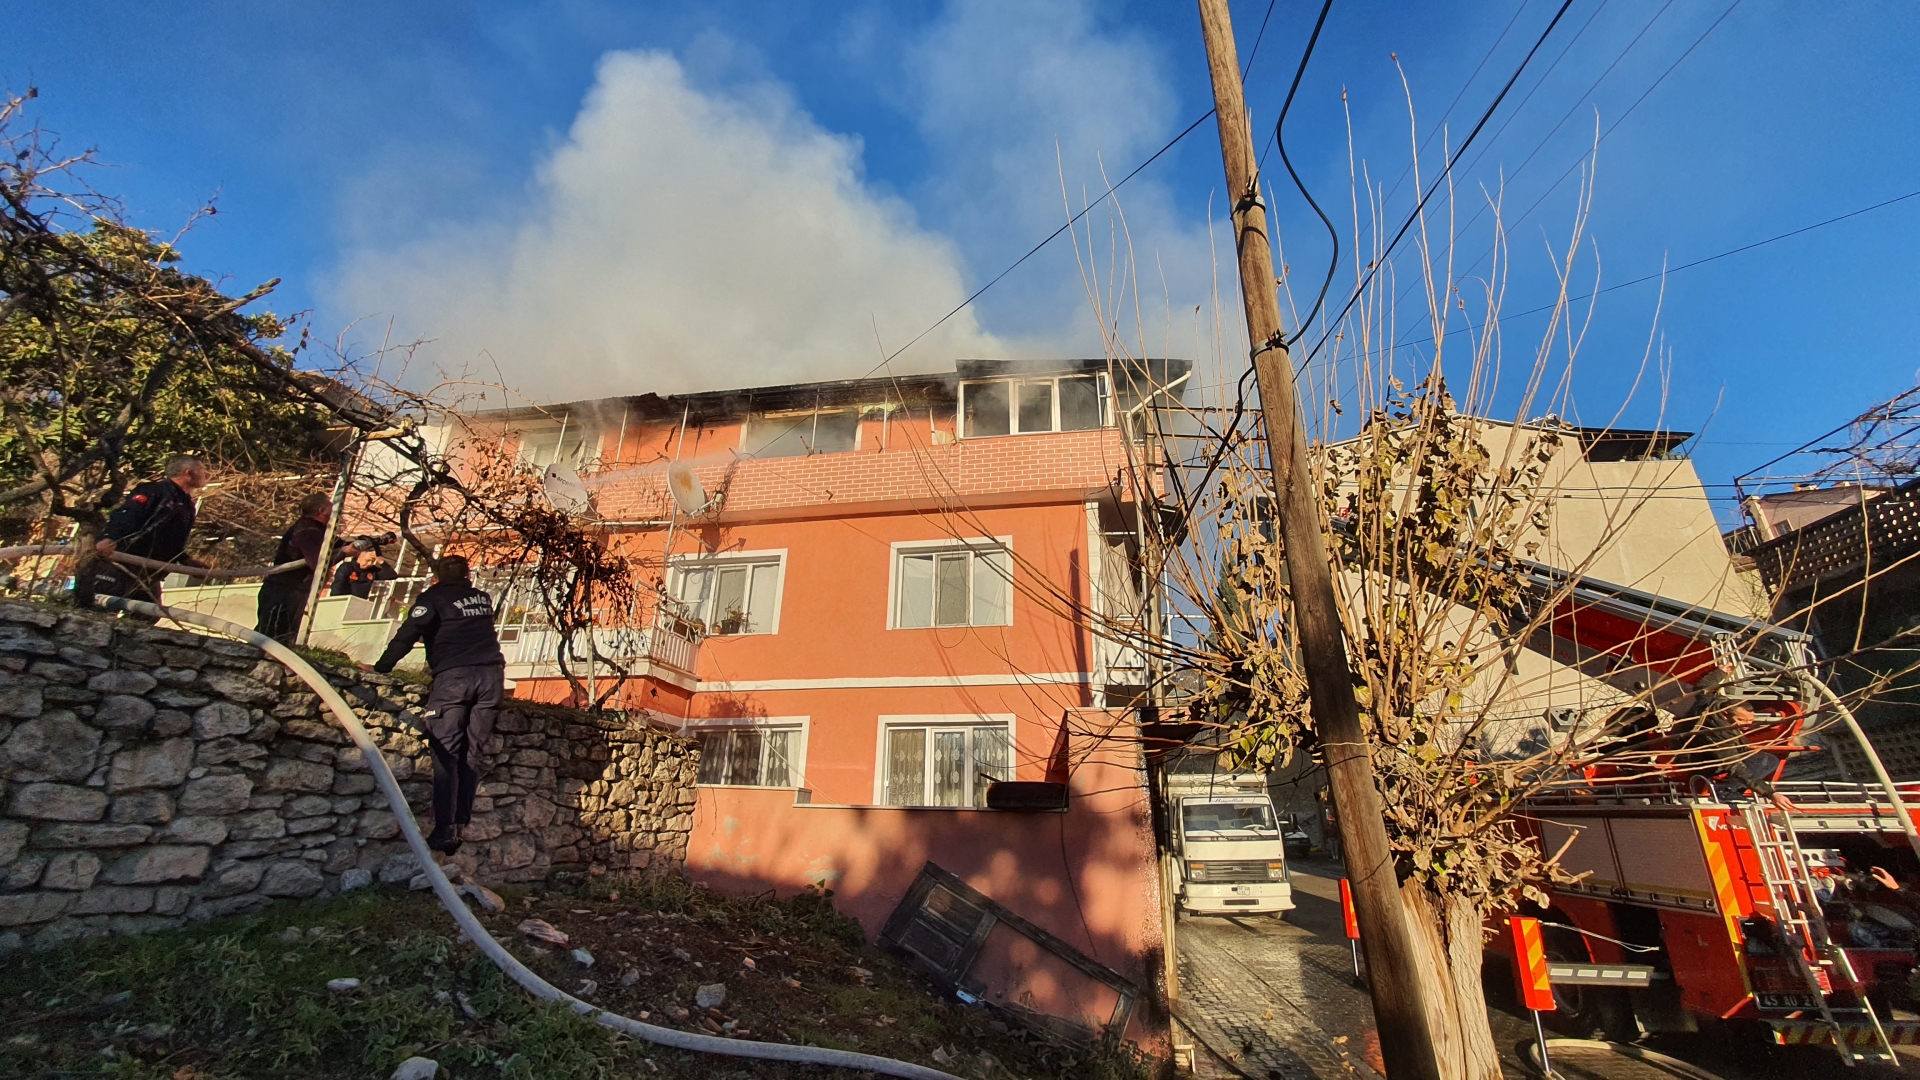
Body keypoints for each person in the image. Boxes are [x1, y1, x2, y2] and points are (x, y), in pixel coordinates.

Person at [365, 555, 504, 853]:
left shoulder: (433, 598)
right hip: (491, 679)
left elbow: (408, 634)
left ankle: (444, 829)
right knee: (472, 753)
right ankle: (460, 826)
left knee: (446, 752)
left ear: (437, 576)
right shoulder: (482, 599)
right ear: (467, 575)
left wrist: (381, 667)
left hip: (455, 679)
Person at [77, 455, 211, 610]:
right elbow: (128, 514)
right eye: (202, 469)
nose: (206, 474)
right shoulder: (154, 491)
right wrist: (110, 538)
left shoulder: (186, 504)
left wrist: (185, 560)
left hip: (149, 572)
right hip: (122, 563)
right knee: (100, 609)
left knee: (148, 615)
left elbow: (168, 538)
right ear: (188, 473)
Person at [255, 493, 336, 643]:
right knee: (272, 638)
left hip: (287, 589)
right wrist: (346, 553)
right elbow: (318, 562)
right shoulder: (308, 531)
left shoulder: (316, 529)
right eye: (331, 506)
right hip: (286, 592)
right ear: (322, 511)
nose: (335, 511)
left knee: (279, 637)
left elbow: (337, 545)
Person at [329, 542, 397, 599]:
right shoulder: (347, 567)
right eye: (367, 560)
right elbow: (338, 584)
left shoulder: (372, 570)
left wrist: (380, 560)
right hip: (344, 600)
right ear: (359, 557)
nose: (369, 564)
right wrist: (337, 600)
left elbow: (392, 575)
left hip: (359, 603)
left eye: (372, 561)